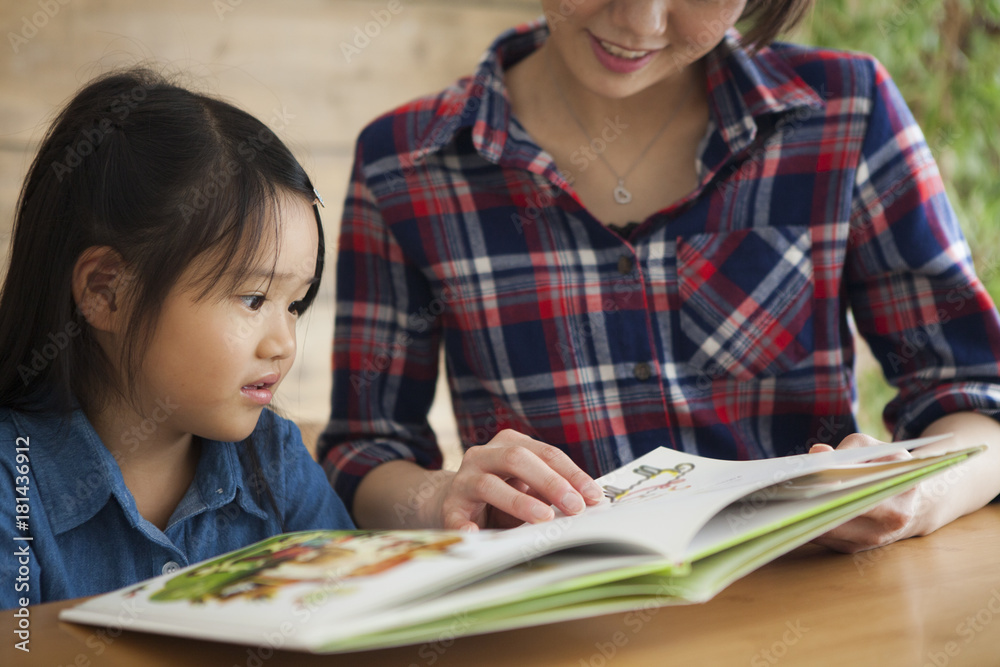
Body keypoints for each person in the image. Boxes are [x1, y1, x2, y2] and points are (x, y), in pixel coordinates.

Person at [319, 0, 1000, 551]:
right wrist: (439, 497)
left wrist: (916, 494)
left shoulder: (846, 110)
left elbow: (977, 399)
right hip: (555, 631)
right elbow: (362, 451)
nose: (640, 20)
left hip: (821, 615)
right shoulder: (405, 163)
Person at [0, 68, 354, 609]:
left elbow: (353, 618)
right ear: (106, 291)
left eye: (295, 304)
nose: (283, 344)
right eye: (254, 299)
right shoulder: (11, 483)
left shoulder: (277, 463)